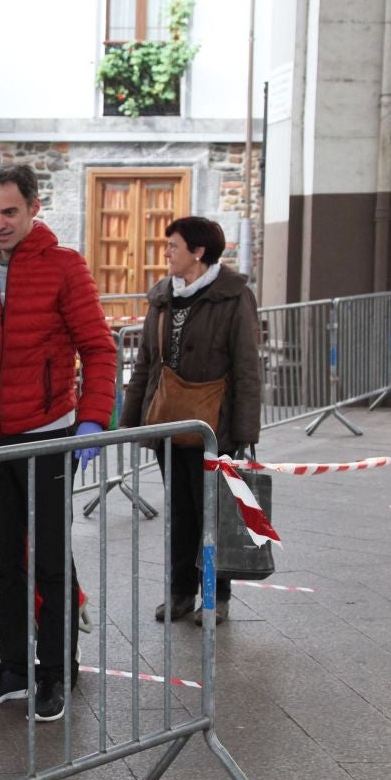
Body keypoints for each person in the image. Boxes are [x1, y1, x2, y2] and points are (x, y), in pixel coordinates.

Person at [0, 164, 117, 722]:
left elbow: (99, 348)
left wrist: (92, 419)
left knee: (48, 560)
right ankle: (14, 668)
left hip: (46, 436)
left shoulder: (64, 268)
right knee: (3, 560)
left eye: (9, 211)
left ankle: (57, 670)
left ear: (35, 207)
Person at [119, 216, 261, 626]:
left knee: (212, 515)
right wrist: (131, 419)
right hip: (169, 422)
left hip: (217, 427)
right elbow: (146, 361)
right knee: (179, 513)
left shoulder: (234, 297)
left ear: (198, 252)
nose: (166, 253)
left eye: (174, 246)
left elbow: (248, 369)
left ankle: (216, 597)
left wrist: (245, 433)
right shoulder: (162, 298)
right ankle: (180, 592)